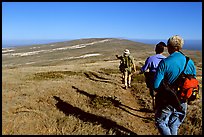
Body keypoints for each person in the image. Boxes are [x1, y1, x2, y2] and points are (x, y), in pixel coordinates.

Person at [153, 35, 196, 135]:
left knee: (161, 122)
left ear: (169, 47)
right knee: (174, 125)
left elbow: (156, 85)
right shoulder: (189, 61)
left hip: (168, 100)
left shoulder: (165, 62)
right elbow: (192, 81)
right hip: (183, 100)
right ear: (180, 47)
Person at [139, 42, 166, 110]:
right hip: (163, 78)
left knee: (153, 93)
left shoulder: (150, 58)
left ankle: (154, 106)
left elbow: (144, 68)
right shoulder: (166, 59)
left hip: (152, 77)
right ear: (163, 50)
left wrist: (140, 71)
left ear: (155, 50)